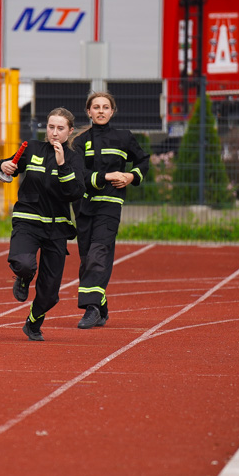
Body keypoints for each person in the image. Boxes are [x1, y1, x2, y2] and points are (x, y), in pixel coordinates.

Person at [0, 107, 86, 341]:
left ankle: (33, 323)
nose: (54, 133)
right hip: (28, 219)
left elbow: (74, 192)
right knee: (23, 263)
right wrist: (1, 167)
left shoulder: (74, 158)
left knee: (50, 292)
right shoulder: (33, 148)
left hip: (56, 227)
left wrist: (62, 164)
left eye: (60, 128)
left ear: (70, 131)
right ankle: (24, 279)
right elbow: (7, 167)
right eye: (51, 127)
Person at [73, 91, 150, 329]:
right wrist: (105, 176)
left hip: (110, 205)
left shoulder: (123, 137)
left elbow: (143, 161)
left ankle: (91, 308)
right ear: (89, 112)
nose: (101, 111)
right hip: (84, 206)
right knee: (87, 260)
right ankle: (102, 305)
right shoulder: (79, 141)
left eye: (106, 107)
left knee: (99, 253)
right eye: (96, 107)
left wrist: (130, 176)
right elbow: (77, 175)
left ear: (112, 111)